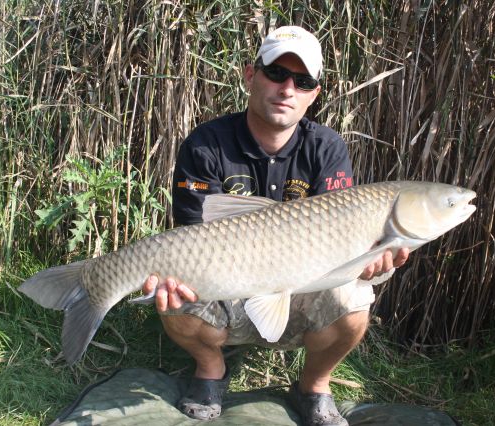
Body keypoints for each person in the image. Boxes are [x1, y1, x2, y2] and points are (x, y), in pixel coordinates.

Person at [142, 26, 409, 426]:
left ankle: (314, 385)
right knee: (173, 290)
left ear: (314, 94)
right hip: (225, 280)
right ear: (251, 75)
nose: (287, 89)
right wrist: (172, 279)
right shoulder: (206, 143)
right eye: (276, 73)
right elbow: (193, 235)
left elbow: (345, 243)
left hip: (299, 285)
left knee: (357, 299)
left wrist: (375, 264)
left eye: (302, 82)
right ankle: (210, 369)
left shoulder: (326, 148)